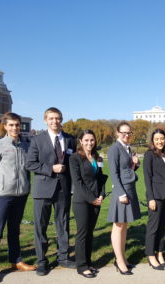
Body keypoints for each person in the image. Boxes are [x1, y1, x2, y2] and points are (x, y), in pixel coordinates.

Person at [0, 112, 36, 283]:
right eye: (11, 125)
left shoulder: (26, 146)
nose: (15, 128)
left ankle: (16, 261)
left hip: (21, 195)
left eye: (17, 125)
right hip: (2, 196)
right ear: (5, 126)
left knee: (14, 231)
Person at [26, 107, 76, 276]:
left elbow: (75, 161)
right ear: (45, 120)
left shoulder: (70, 139)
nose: (55, 121)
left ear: (61, 119)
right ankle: (42, 261)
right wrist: (51, 168)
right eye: (52, 118)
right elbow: (30, 164)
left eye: (58, 118)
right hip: (43, 189)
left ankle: (63, 257)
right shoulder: (37, 140)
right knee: (41, 227)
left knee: (63, 224)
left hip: (63, 188)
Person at [70, 130, 107, 278]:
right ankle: (81, 265)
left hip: (96, 200)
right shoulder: (75, 158)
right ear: (80, 141)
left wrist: (101, 195)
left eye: (92, 140)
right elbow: (77, 182)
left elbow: (101, 178)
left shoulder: (97, 157)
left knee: (90, 234)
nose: (89, 143)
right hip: (82, 201)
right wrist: (91, 198)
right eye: (86, 140)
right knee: (82, 233)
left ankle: (88, 261)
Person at [107, 122, 141, 275]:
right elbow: (114, 174)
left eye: (129, 133)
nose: (126, 135)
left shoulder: (128, 148)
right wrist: (121, 193)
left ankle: (123, 258)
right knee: (118, 226)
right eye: (124, 132)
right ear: (117, 133)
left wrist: (135, 165)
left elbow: (126, 170)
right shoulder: (114, 148)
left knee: (124, 225)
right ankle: (119, 261)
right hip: (122, 192)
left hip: (129, 188)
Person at [143, 128, 165, 270]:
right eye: (157, 139)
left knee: (162, 227)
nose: (160, 141)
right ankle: (151, 255)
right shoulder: (149, 155)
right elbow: (147, 178)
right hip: (156, 196)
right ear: (153, 141)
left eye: (162, 138)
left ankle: (160, 253)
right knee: (153, 227)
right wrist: (151, 198)